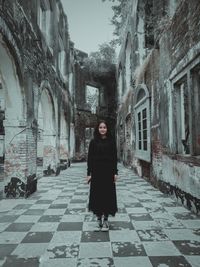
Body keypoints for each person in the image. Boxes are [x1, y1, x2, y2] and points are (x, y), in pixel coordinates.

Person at [86, 120, 118, 231]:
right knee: (97, 195)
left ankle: (106, 220)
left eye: (104, 127)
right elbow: (90, 159)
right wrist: (89, 174)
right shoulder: (93, 142)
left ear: (107, 129)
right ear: (97, 129)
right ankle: (99, 218)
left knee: (108, 195)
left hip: (108, 173)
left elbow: (114, 158)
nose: (102, 129)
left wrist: (115, 173)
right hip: (97, 173)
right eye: (100, 127)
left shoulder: (111, 141)